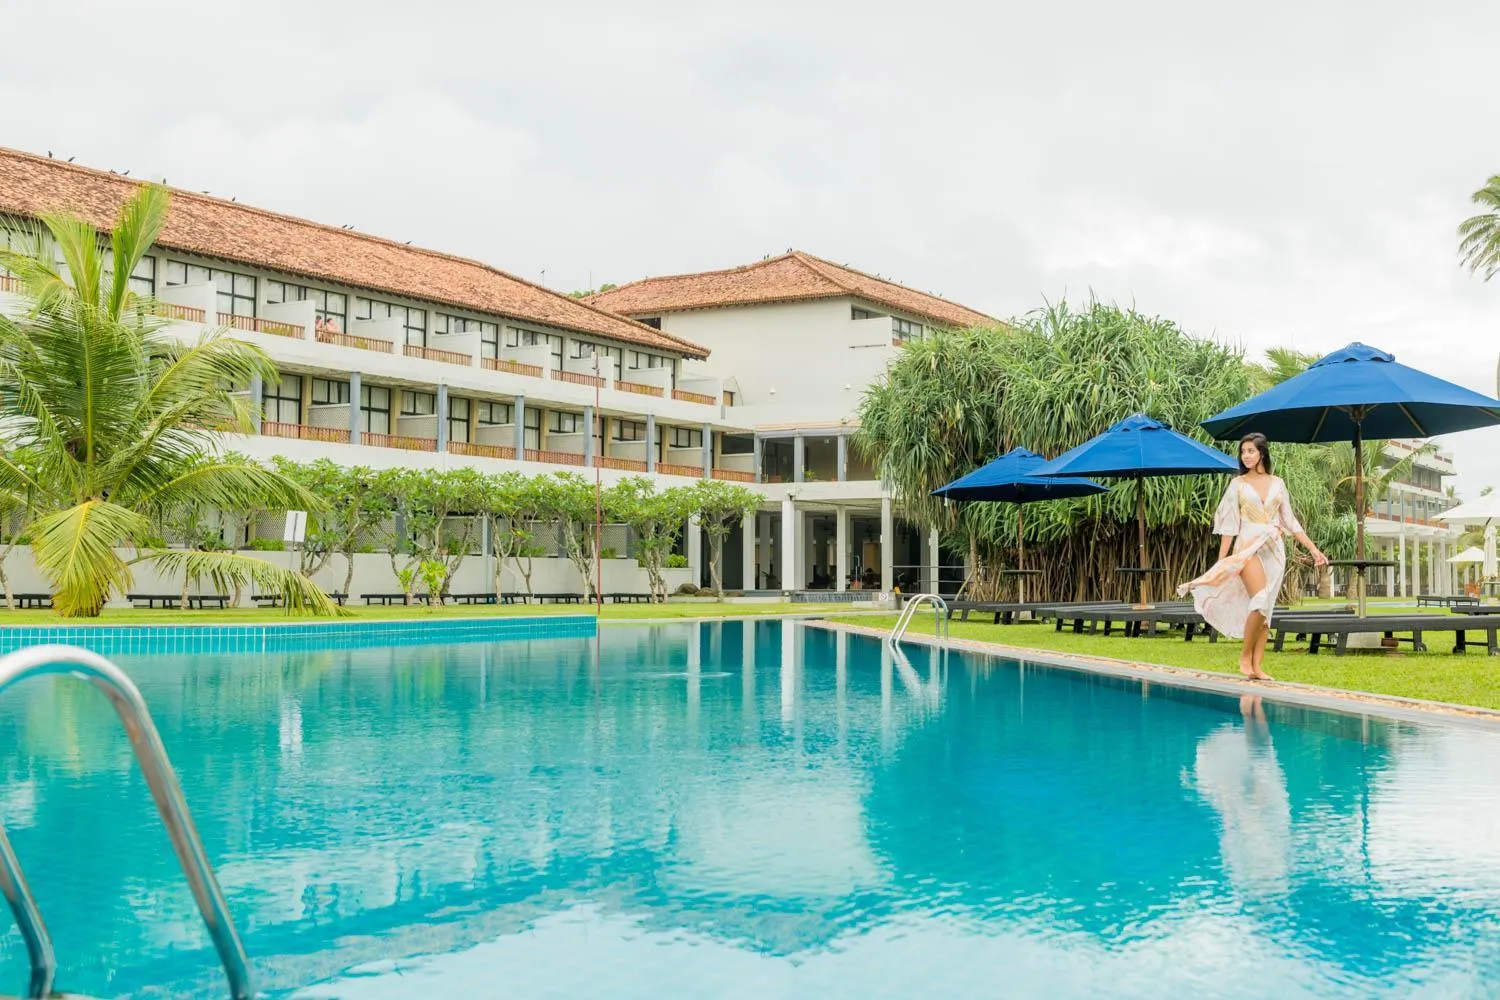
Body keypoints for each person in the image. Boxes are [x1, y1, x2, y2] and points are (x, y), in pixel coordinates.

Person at [1178, 432, 1326, 681]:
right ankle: (1245, 657)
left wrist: (1313, 549)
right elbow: (1228, 525)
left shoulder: (1278, 483)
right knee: (1260, 598)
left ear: (1262, 453)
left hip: (1274, 550)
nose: (1245, 456)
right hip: (1247, 547)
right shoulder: (1238, 484)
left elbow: (1290, 521)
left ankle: (1257, 667)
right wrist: (1222, 560)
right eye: (1243, 452)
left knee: (1265, 610)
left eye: (1250, 451)